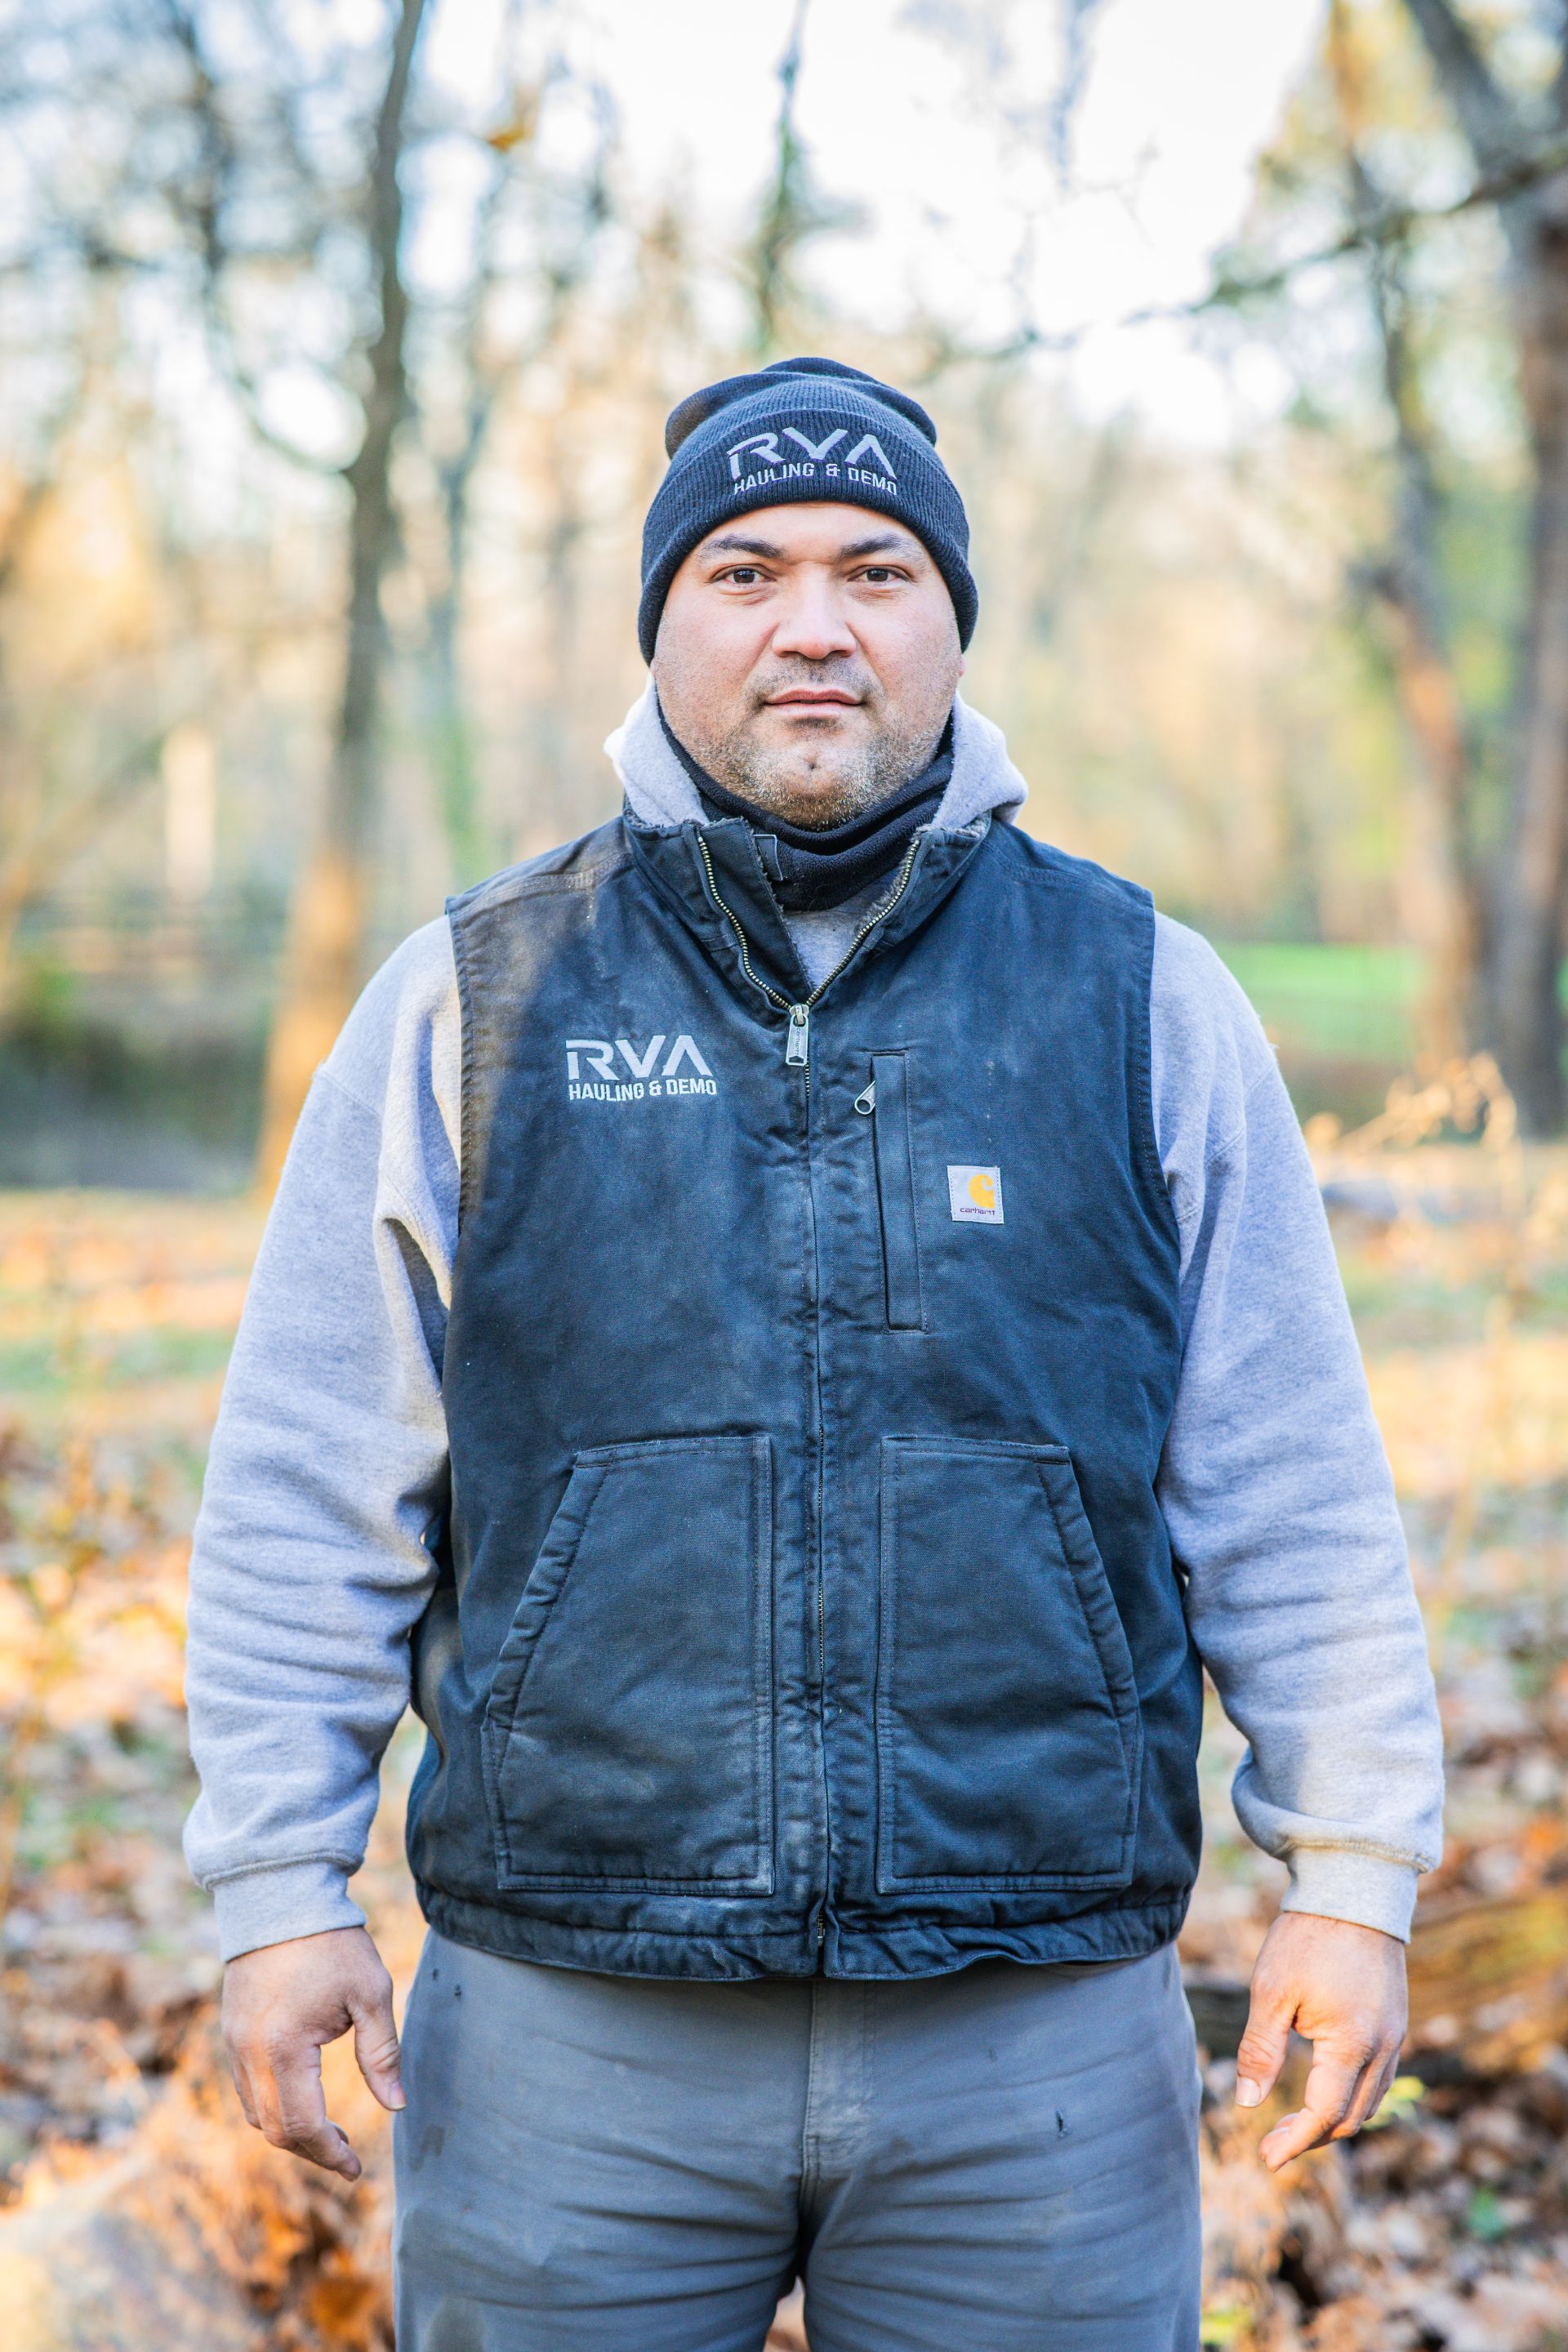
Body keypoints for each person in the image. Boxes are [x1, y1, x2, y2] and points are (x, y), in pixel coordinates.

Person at [185, 356, 1445, 2352]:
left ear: (950, 621)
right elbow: (303, 1487)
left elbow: (1288, 1477)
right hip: (568, 2036)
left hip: (1031, 2042)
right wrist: (278, 1885)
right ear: (666, 620)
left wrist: (1356, 1869)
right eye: (744, 569)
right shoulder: (474, 1000)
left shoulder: (1143, 997)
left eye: (877, 570)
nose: (814, 624)